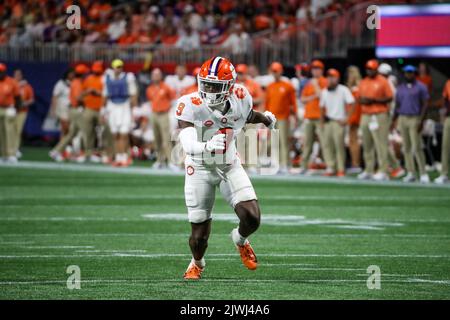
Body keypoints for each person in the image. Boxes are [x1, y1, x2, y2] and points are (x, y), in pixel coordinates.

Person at [176, 56, 276, 279]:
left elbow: (247, 115)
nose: (209, 90)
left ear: (229, 86)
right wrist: (206, 146)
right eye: (206, 84)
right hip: (199, 169)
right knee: (199, 237)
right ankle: (197, 263)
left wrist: (265, 119)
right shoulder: (189, 104)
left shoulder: (241, 96)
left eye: (215, 86)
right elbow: (187, 143)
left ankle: (240, 240)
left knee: (252, 218)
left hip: (229, 165)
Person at [392, 65, 430, 183]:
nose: (408, 75)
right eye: (406, 73)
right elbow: (397, 105)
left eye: (411, 72)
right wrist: (394, 120)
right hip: (403, 117)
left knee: (417, 146)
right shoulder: (401, 88)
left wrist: (421, 120)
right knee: (406, 147)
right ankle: (411, 172)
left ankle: (423, 172)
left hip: (414, 117)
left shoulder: (421, 87)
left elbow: (425, 104)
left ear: (414, 73)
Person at [357, 59, 393, 181]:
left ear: (376, 70)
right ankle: (369, 169)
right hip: (366, 114)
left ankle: (383, 170)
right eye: (368, 69)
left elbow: (389, 97)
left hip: (379, 114)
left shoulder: (383, 81)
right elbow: (359, 98)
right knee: (367, 144)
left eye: (372, 69)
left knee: (381, 143)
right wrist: (365, 101)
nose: (369, 71)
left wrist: (373, 100)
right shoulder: (363, 82)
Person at [50, 64, 89, 162]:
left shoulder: (75, 82)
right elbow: (78, 98)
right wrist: (87, 94)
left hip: (71, 109)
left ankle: (57, 151)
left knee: (71, 133)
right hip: (75, 109)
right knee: (84, 130)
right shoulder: (77, 83)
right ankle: (84, 154)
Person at [320, 68, 355, 177]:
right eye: (329, 77)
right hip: (328, 121)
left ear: (337, 78)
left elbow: (352, 103)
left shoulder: (343, 90)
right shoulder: (324, 91)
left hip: (339, 121)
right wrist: (321, 122)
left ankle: (341, 168)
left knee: (339, 146)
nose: (330, 79)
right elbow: (321, 107)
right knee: (327, 145)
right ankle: (331, 167)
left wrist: (347, 118)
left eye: (333, 77)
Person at [103, 59, 138, 166]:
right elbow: (105, 95)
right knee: (115, 134)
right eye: (117, 66)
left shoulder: (128, 78)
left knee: (123, 134)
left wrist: (134, 110)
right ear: (113, 67)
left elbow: (133, 94)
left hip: (124, 106)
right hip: (112, 107)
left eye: (120, 66)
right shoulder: (107, 78)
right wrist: (103, 110)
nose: (119, 68)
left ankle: (124, 156)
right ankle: (118, 156)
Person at [265, 62, 298, 174]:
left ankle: (285, 164)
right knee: (275, 142)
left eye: (277, 71)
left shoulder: (288, 86)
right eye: (273, 71)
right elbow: (267, 103)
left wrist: (295, 116)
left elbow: (293, 103)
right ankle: (278, 164)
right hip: (272, 118)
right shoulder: (270, 87)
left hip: (284, 117)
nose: (275, 73)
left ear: (281, 71)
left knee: (284, 141)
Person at [378, 63, 405, 179]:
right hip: (387, 116)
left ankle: (393, 166)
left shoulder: (387, 84)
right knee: (382, 142)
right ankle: (387, 166)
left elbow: (390, 104)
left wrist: (392, 120)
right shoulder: (389, 83)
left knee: (382, 142)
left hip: (386, 116)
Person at [300, 59, 327, 173]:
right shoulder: (309, 83)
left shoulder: (325, 81)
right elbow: (303, 99)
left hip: (320, 116)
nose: (315, 71)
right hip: (309, 116)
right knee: (307, 143)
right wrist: (313, 96)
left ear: (321, 70)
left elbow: (323, 96)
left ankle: (330, 166)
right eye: (314, 69)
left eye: (318, 69)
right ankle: (304, 166)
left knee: (325, 142)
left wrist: (316, 86)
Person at [146, 68, 177, 170]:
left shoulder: (166, 87)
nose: (155, 77)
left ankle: (170, 161)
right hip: (154, 114)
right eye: (154, 75)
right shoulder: (149, 89)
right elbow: (151, 101)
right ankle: (160, 160)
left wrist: (171, 112)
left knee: (166, 139)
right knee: (157, 139)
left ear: (161, 76)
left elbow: (173, 99)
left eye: (157, 75)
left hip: (164, 114)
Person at [79, 61, 104, 163]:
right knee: (88, 132)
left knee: (103, 132)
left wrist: (97, 92)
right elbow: (81, 94)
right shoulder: (88, 79)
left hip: (101, 109)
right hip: (89, 108)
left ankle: (101, 153)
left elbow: (107, 93)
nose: (96, 72)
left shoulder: (104, 79)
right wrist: (88, 91)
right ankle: (87, 153)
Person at [0, 62, 21, 163]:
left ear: (4, 72)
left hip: (9, 108)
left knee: (10, 132)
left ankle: (11, 154)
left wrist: (16, 109)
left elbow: (18, 97)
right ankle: (3, 155)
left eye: (1, 72)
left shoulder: (11, 82)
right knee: (1, 133)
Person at [13, 69, 34, 158]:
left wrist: (25, 103)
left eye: (19, 75)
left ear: (22, 76)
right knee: (10, 131)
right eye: (16, 74)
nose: (17, 76)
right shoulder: (11, 84)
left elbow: (31, 99)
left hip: (22, 111)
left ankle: (15, 149)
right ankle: (7, 149)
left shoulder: (27, 87)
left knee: (18, 130)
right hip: (11, 110)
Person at [50, 69, 74, 145]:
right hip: (62, 108)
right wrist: (53, 109)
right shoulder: (60, 83)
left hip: (72, 108)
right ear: (67, 74)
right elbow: (54, 96)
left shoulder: (75, 82)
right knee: (65, 128)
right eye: (70, 74)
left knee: (71, 129)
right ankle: (62, 147)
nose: (72, 75)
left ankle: (66, 147)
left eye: (73, 74)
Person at [346, 65, 362, 173]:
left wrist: (350, 117)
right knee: (352, 140)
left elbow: (355, 105)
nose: (349, 76)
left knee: (354, 140)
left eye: (352, 73)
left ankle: (356, 164)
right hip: (352, 115)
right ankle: (354, 163)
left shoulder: (357, 88)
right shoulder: (351, 88)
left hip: (355, 116)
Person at [434, 78, 450, 184]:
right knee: (445, 146)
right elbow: (445, 99)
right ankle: (444, 174)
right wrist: (444, 113)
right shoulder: (449, 82)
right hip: (449, 117)